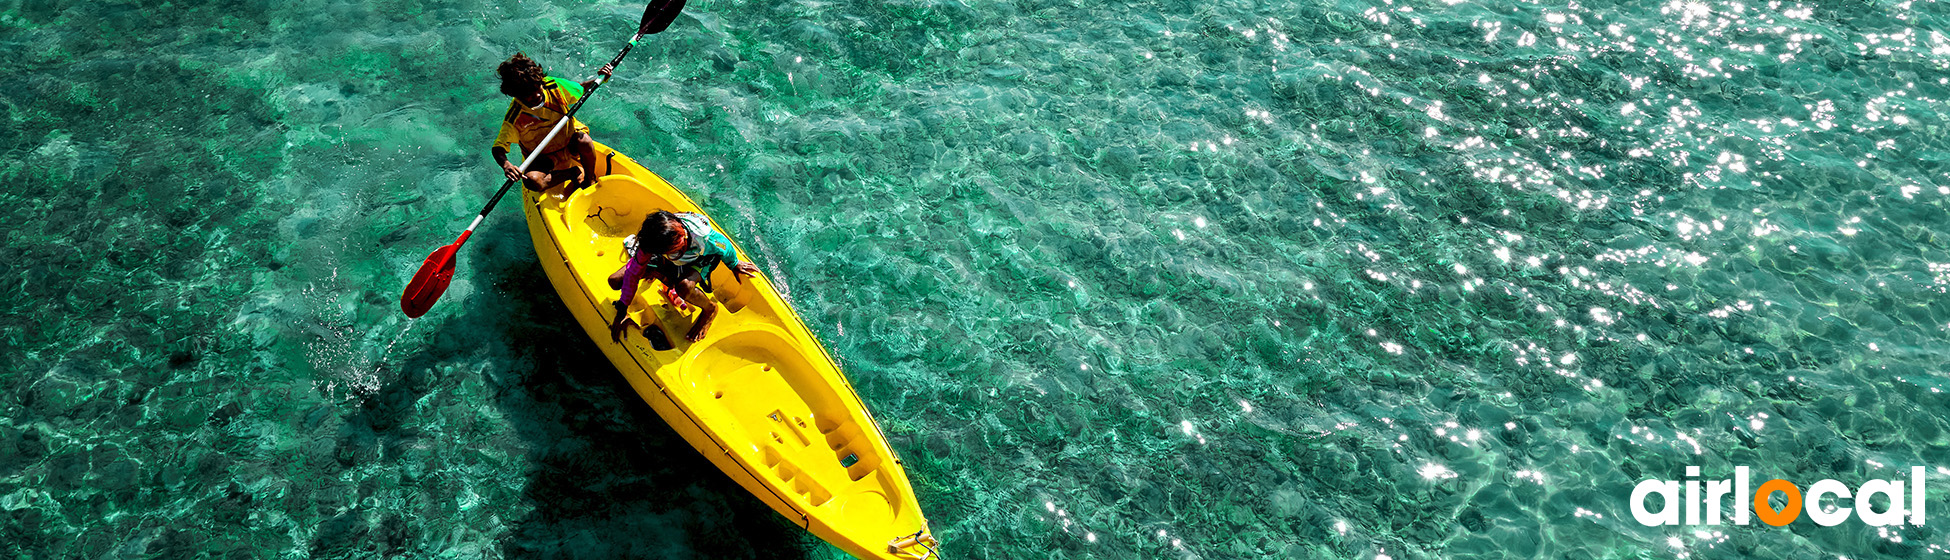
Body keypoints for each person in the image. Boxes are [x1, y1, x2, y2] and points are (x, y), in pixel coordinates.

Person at [608, 211, 761, 343]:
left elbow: (724, 246)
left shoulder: (703, 237)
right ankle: (659, 272)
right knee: (615, 280)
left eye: (674, 250)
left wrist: (734, 264)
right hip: (672, 257)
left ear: (683, 236)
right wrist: (622, 309)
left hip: (701, 258)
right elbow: (633, 273)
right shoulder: (651, 243)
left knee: (684, 286)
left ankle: (710, 310)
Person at [492, 53, 613, 193]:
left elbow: (580, 88)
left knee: (584, 140)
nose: (537, 95)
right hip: (543, 157)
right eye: (529, 95)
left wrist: (601, 79)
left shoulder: (552, 86)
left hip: (569, 142)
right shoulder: (515, 116)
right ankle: (573, 172)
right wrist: (506, 165)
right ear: (517, 95)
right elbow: (498, 148)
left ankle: (589, 179)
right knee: (532, 181)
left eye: (538, 88)